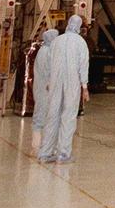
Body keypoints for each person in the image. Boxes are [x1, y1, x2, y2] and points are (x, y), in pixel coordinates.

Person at [38, 14, 89, 164]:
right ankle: (63, 154)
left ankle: (45, 153)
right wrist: (84, 86)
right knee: (68, 116)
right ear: (79, 26)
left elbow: (49, 62)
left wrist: (49, 80)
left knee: (52, 115)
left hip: (55, 82)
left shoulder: (56, 41)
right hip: (72, 83)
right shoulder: (80, 42)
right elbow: (83, 65)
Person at [31, 28, 58, 154]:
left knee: (42, 117)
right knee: (45, 118)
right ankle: (40, 147)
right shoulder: (48, 52)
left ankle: (38, 146)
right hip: (46, 90)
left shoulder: (43, 50)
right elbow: (50, 71)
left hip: (41, 89)